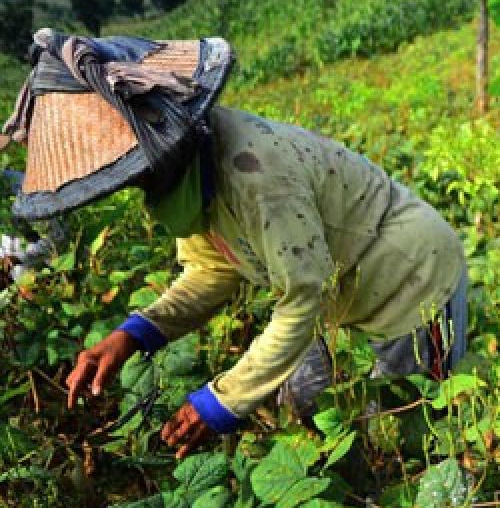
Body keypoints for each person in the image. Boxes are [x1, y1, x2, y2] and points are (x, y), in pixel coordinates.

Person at [2, 28, 467, 459]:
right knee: (299, 415)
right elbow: (212, 270)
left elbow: (303, 296)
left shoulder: (256, 177)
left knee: (401, 440)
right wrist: (133, 335)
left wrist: (219, 403)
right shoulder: (186, 175)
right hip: (337, 295)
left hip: (408, 283)